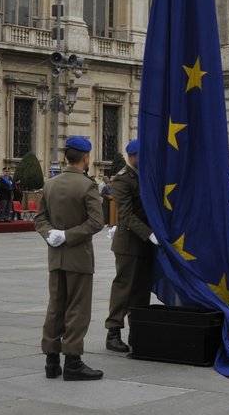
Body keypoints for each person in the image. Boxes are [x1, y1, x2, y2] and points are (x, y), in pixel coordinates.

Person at [36, 135, 105, 380]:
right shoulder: (88, 186)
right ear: (86, 158)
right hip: (79, 256)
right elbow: (97, 222)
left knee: (56, 306)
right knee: (77, 308)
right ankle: (73, 361)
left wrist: (51, 234)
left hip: (55, 256)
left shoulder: (50, 184)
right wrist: (69, 235)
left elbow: (39, 219)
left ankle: (51, 360)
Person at [103, 139, 155, 353]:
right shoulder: (123, 180)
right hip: (129, 243)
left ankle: (138, 330)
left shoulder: (146, 176)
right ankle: (113, 331)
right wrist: (149, 233)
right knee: (124, 288)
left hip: (146, 243)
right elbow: (126, 215)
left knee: (142, 290)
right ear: (132, 157)